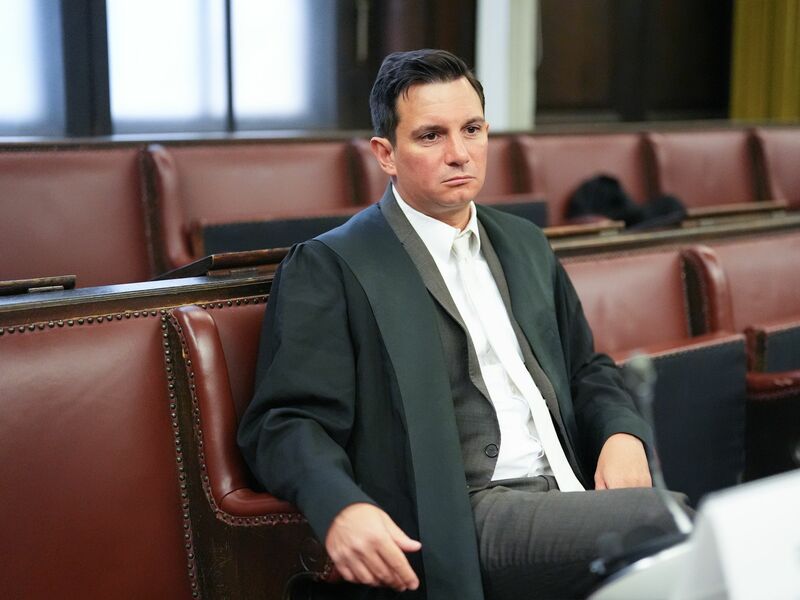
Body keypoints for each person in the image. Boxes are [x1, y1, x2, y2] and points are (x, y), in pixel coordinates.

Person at [238, 49, 683, 600]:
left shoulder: (523, 242)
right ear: (385, 154)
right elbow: (285, 420)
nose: (459, 154)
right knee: (673, 525)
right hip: (457, 515)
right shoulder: (333, 266)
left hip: (570, 488)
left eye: (472, 129)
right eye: (431, 136)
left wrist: (620, 433)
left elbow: (586, 367)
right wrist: (340, 506)